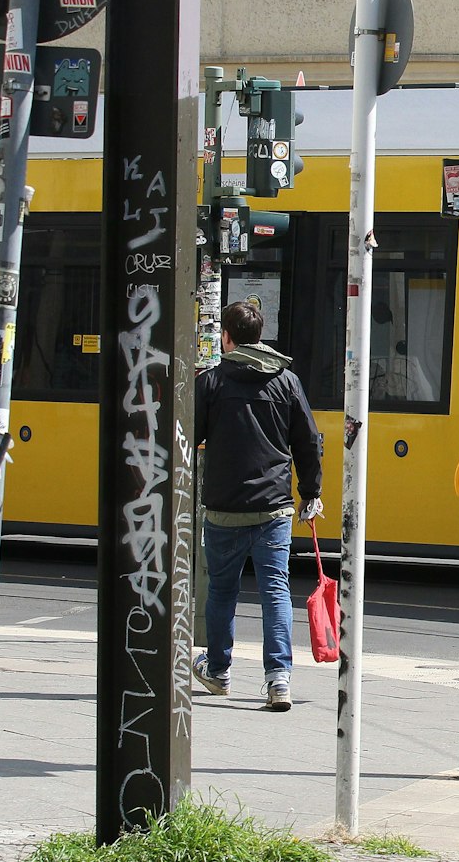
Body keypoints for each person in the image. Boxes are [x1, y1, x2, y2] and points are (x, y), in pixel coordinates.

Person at [193, 300, 323, 712]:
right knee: (275, 590)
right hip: (274, 509)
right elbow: (308, 440)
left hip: (223, 507)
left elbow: (188, 437)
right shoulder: (286, 382)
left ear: (227, 337)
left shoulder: (211, 382)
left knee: (221, 591)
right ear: (259, 335)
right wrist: (311, 491)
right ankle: (278, 679)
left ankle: (217, 671)